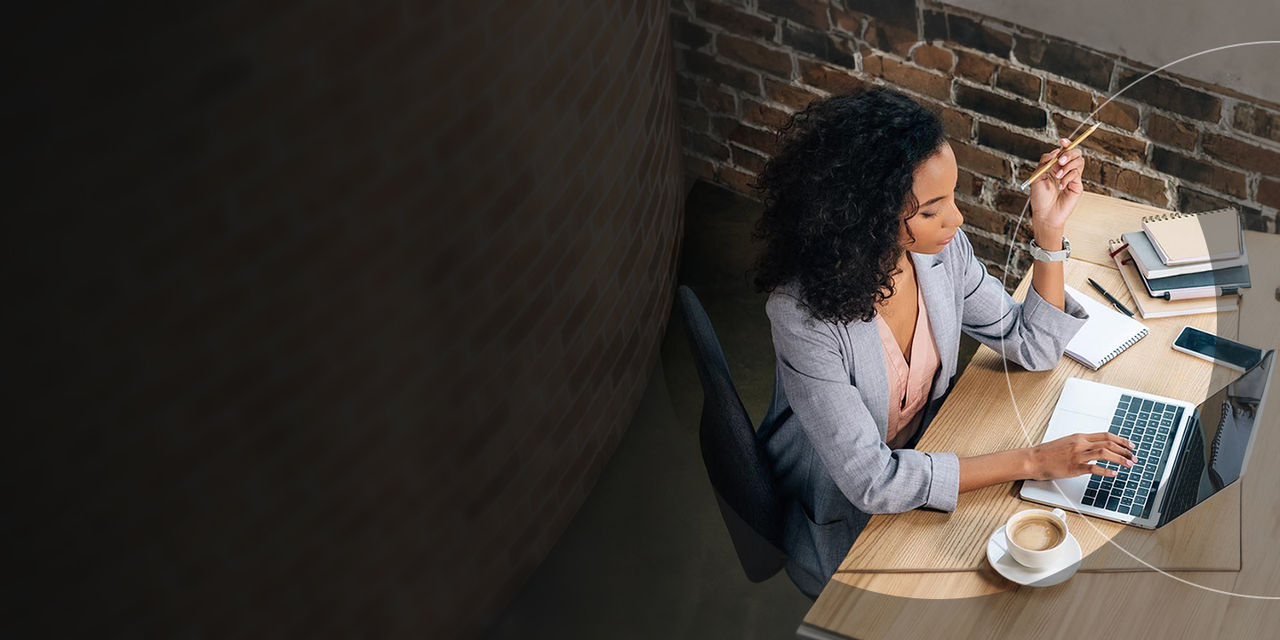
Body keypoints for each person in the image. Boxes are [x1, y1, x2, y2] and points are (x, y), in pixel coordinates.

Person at [749, 87, 1139, 598]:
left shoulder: (939, 253)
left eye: (952, 197)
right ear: (866, 218)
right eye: (932, 210)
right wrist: (1033, 461)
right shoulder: (802, 315)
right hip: (845, 515)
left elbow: (1033, 343)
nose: (956, 220)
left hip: (927, 457)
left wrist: (1048, 229)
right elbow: (873, 481)